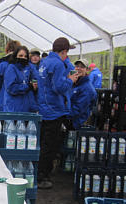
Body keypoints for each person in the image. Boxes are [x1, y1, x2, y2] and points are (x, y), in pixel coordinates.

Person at [37, 37, 78, 189]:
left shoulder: (45, 61)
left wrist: (66, 64)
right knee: (50, 146)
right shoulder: (58, 64)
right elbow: (58, 87)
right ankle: (42, 176)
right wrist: (71, 80)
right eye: (67, 53)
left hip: (44, 107)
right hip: (54, 109)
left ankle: (40, 172)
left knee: (44, 143)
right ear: (64, 51)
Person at [3, 46, 38, 113]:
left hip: (28, 108)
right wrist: (28, 86)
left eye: (25, 56)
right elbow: (11, 88)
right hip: (14, 109)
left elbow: (35, 80)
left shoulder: (29, 68)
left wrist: (34, 86)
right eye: (20, 55)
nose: (23, 58)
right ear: (15, 56)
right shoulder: (11, 68)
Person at [70, 59, 97, 129]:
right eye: (77, 66)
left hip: (76, 124)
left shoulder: (87, 88)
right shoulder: (74, 83)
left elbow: (78, 110)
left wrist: (62, 114)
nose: (78, 68)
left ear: (87, 69)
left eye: (82, 67)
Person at [0, 40, 21, 111]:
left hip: (3, 100)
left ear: (7, 50)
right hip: (18, 102)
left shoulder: (2, 65)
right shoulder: (22, 65)